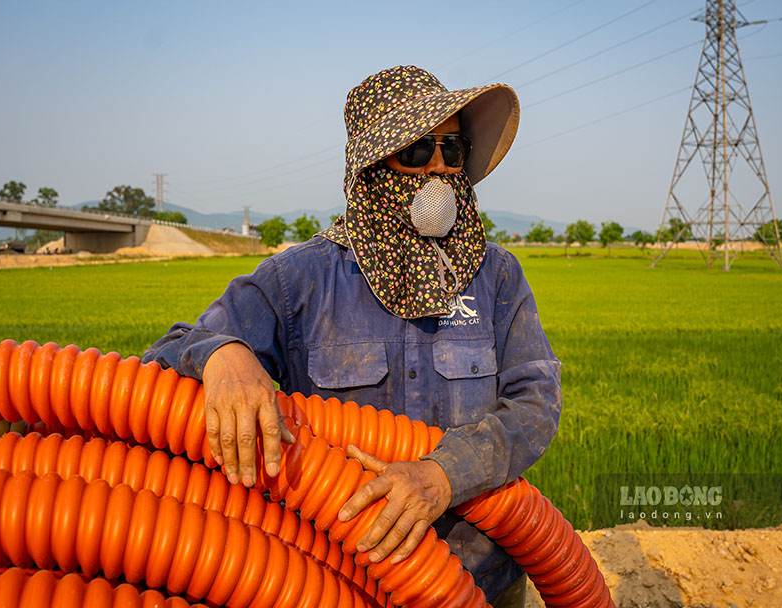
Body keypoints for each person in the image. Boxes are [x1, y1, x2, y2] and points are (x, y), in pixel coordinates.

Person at [143, 65, 561, 606]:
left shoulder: (495, 275)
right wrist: (224, 354)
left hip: (480, 576)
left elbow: (536, 399)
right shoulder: (300, 280)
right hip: (340, 580)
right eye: (415, 149)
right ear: (372, 167)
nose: (438, 167)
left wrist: (441, 474)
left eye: (452, 148)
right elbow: (173, 347)